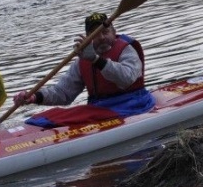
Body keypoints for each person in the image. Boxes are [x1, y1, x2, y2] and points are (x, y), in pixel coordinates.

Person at [12, 12, 155, 127]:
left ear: (114, 32)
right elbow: (63, 93)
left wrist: (96, 60)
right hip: (99, 109)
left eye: (105, 32)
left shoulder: (127, 50)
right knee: (47, 116)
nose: (102, 37)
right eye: (95, 34)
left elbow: (127, 78)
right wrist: (34, 97)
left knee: (70, 115)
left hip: (134, 104)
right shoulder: (82, 61)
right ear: (88, 38)